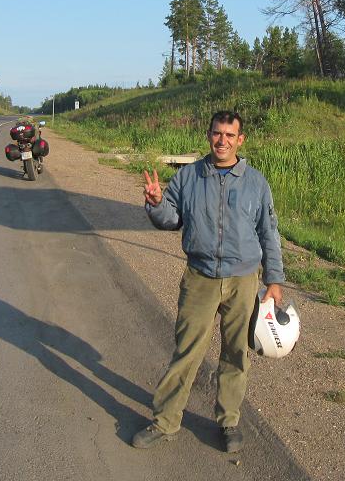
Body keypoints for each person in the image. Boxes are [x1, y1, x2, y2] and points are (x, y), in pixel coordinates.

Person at [132, 110, 285, 454]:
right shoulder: (188, 177)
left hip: (243, 281)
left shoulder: (256, 183)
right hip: (199, 277)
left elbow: (269, 233)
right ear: (208, 135)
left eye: (230, 136)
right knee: (187, 352)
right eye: (217, 134)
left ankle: (228, 422)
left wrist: (274, 280)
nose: (223, 141)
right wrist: (156, 204)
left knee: (235, 354)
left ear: (240, 140)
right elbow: (171, 218)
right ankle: (165, 421)